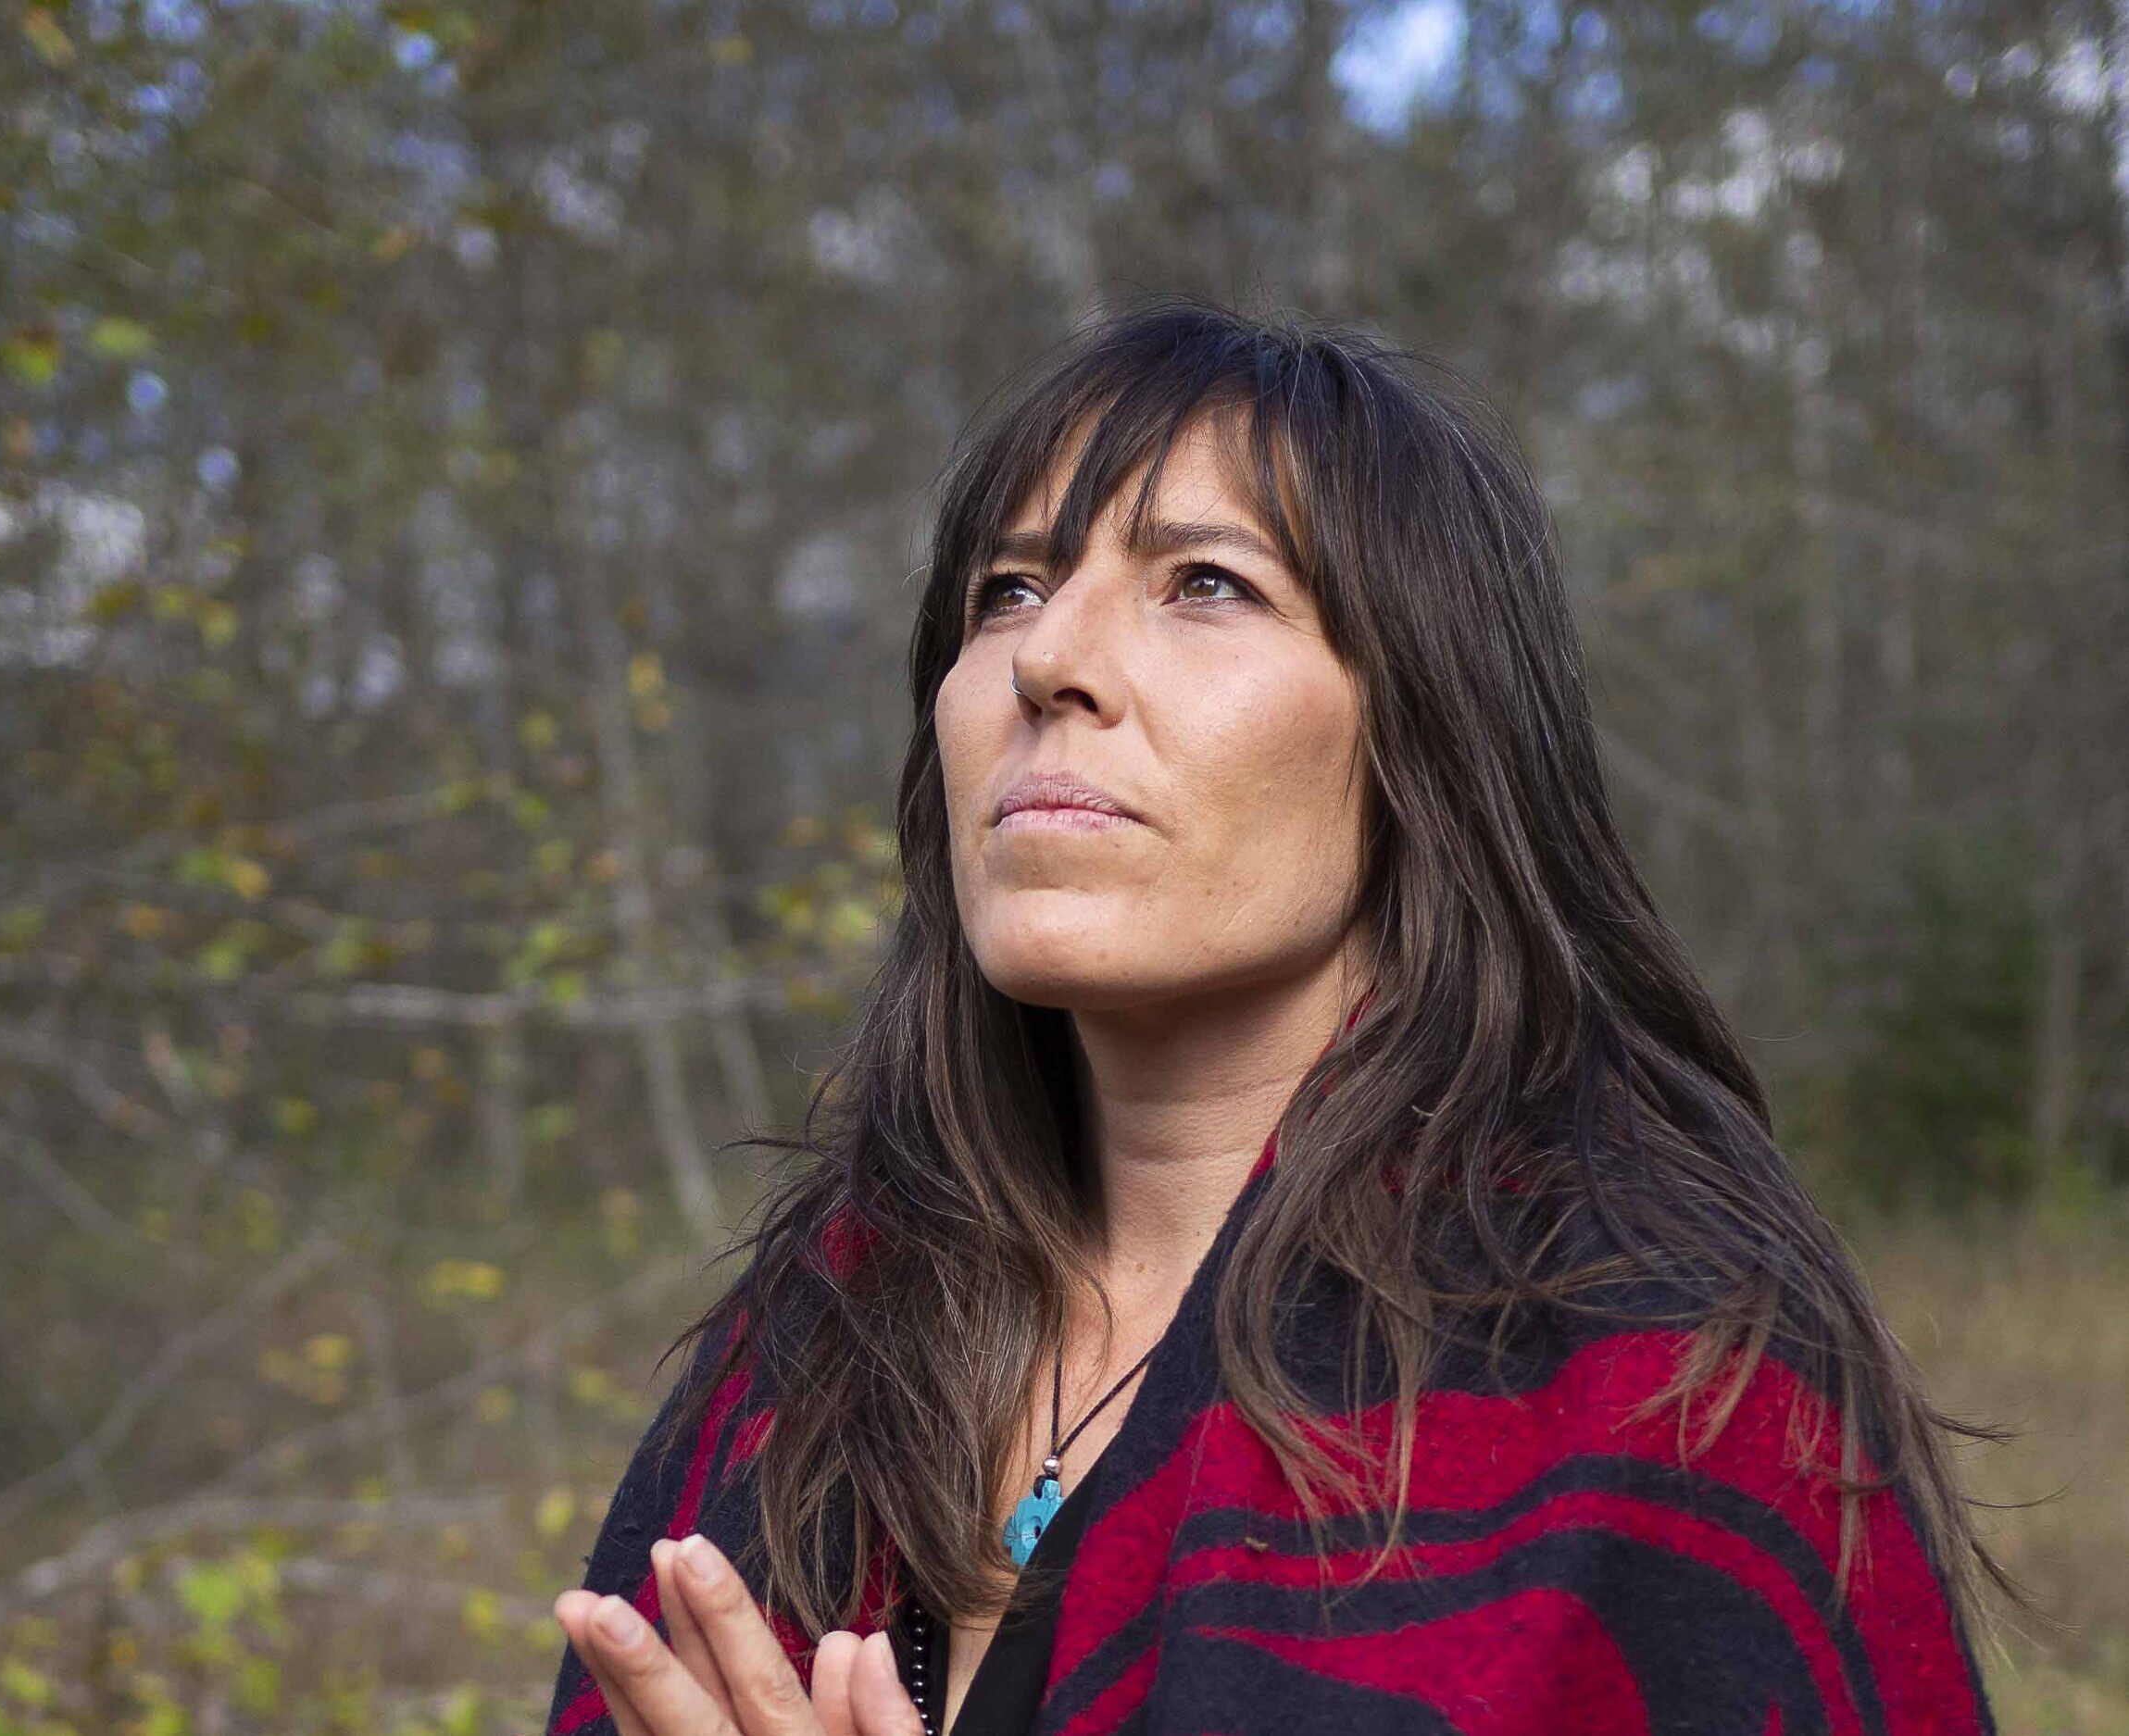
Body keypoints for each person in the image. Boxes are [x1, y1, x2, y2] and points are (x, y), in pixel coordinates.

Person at [542, 295, 2011, 1736]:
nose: (1050, 659)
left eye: (1206, 585)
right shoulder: (812, 1347)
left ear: (1428, 726)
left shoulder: (1649, 1371)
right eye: (1009, 589)